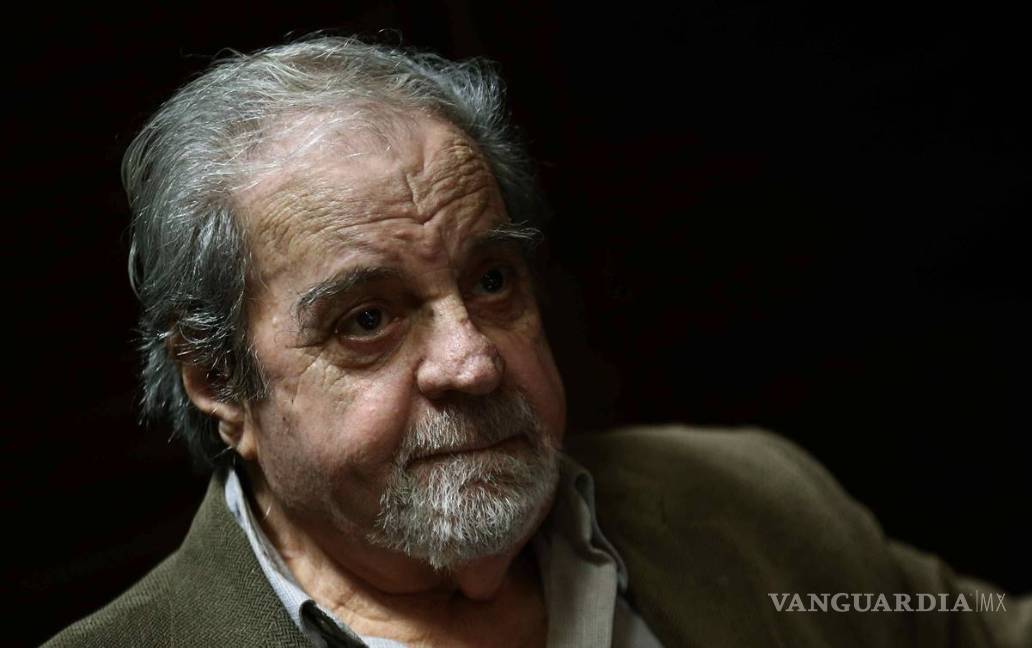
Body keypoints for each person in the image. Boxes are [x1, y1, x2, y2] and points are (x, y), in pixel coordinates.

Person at [46, 36, 1029, 648]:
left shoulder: (746, 494)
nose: (474, 361)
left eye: (490, 280)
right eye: (368, 320)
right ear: (220, 380)